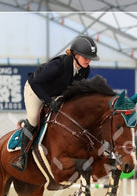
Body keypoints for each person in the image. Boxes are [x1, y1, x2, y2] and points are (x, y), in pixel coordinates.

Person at [10, 35, 100, 172]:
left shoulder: (84, 69)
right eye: (85, 56)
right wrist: (49, 101)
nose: (88, 60)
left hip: (56, 93)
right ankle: (22, 157)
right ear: (75, 54)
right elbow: (36, 83)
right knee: (34, 118)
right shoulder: (59, 65)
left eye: (90, 58)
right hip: (36, 90)